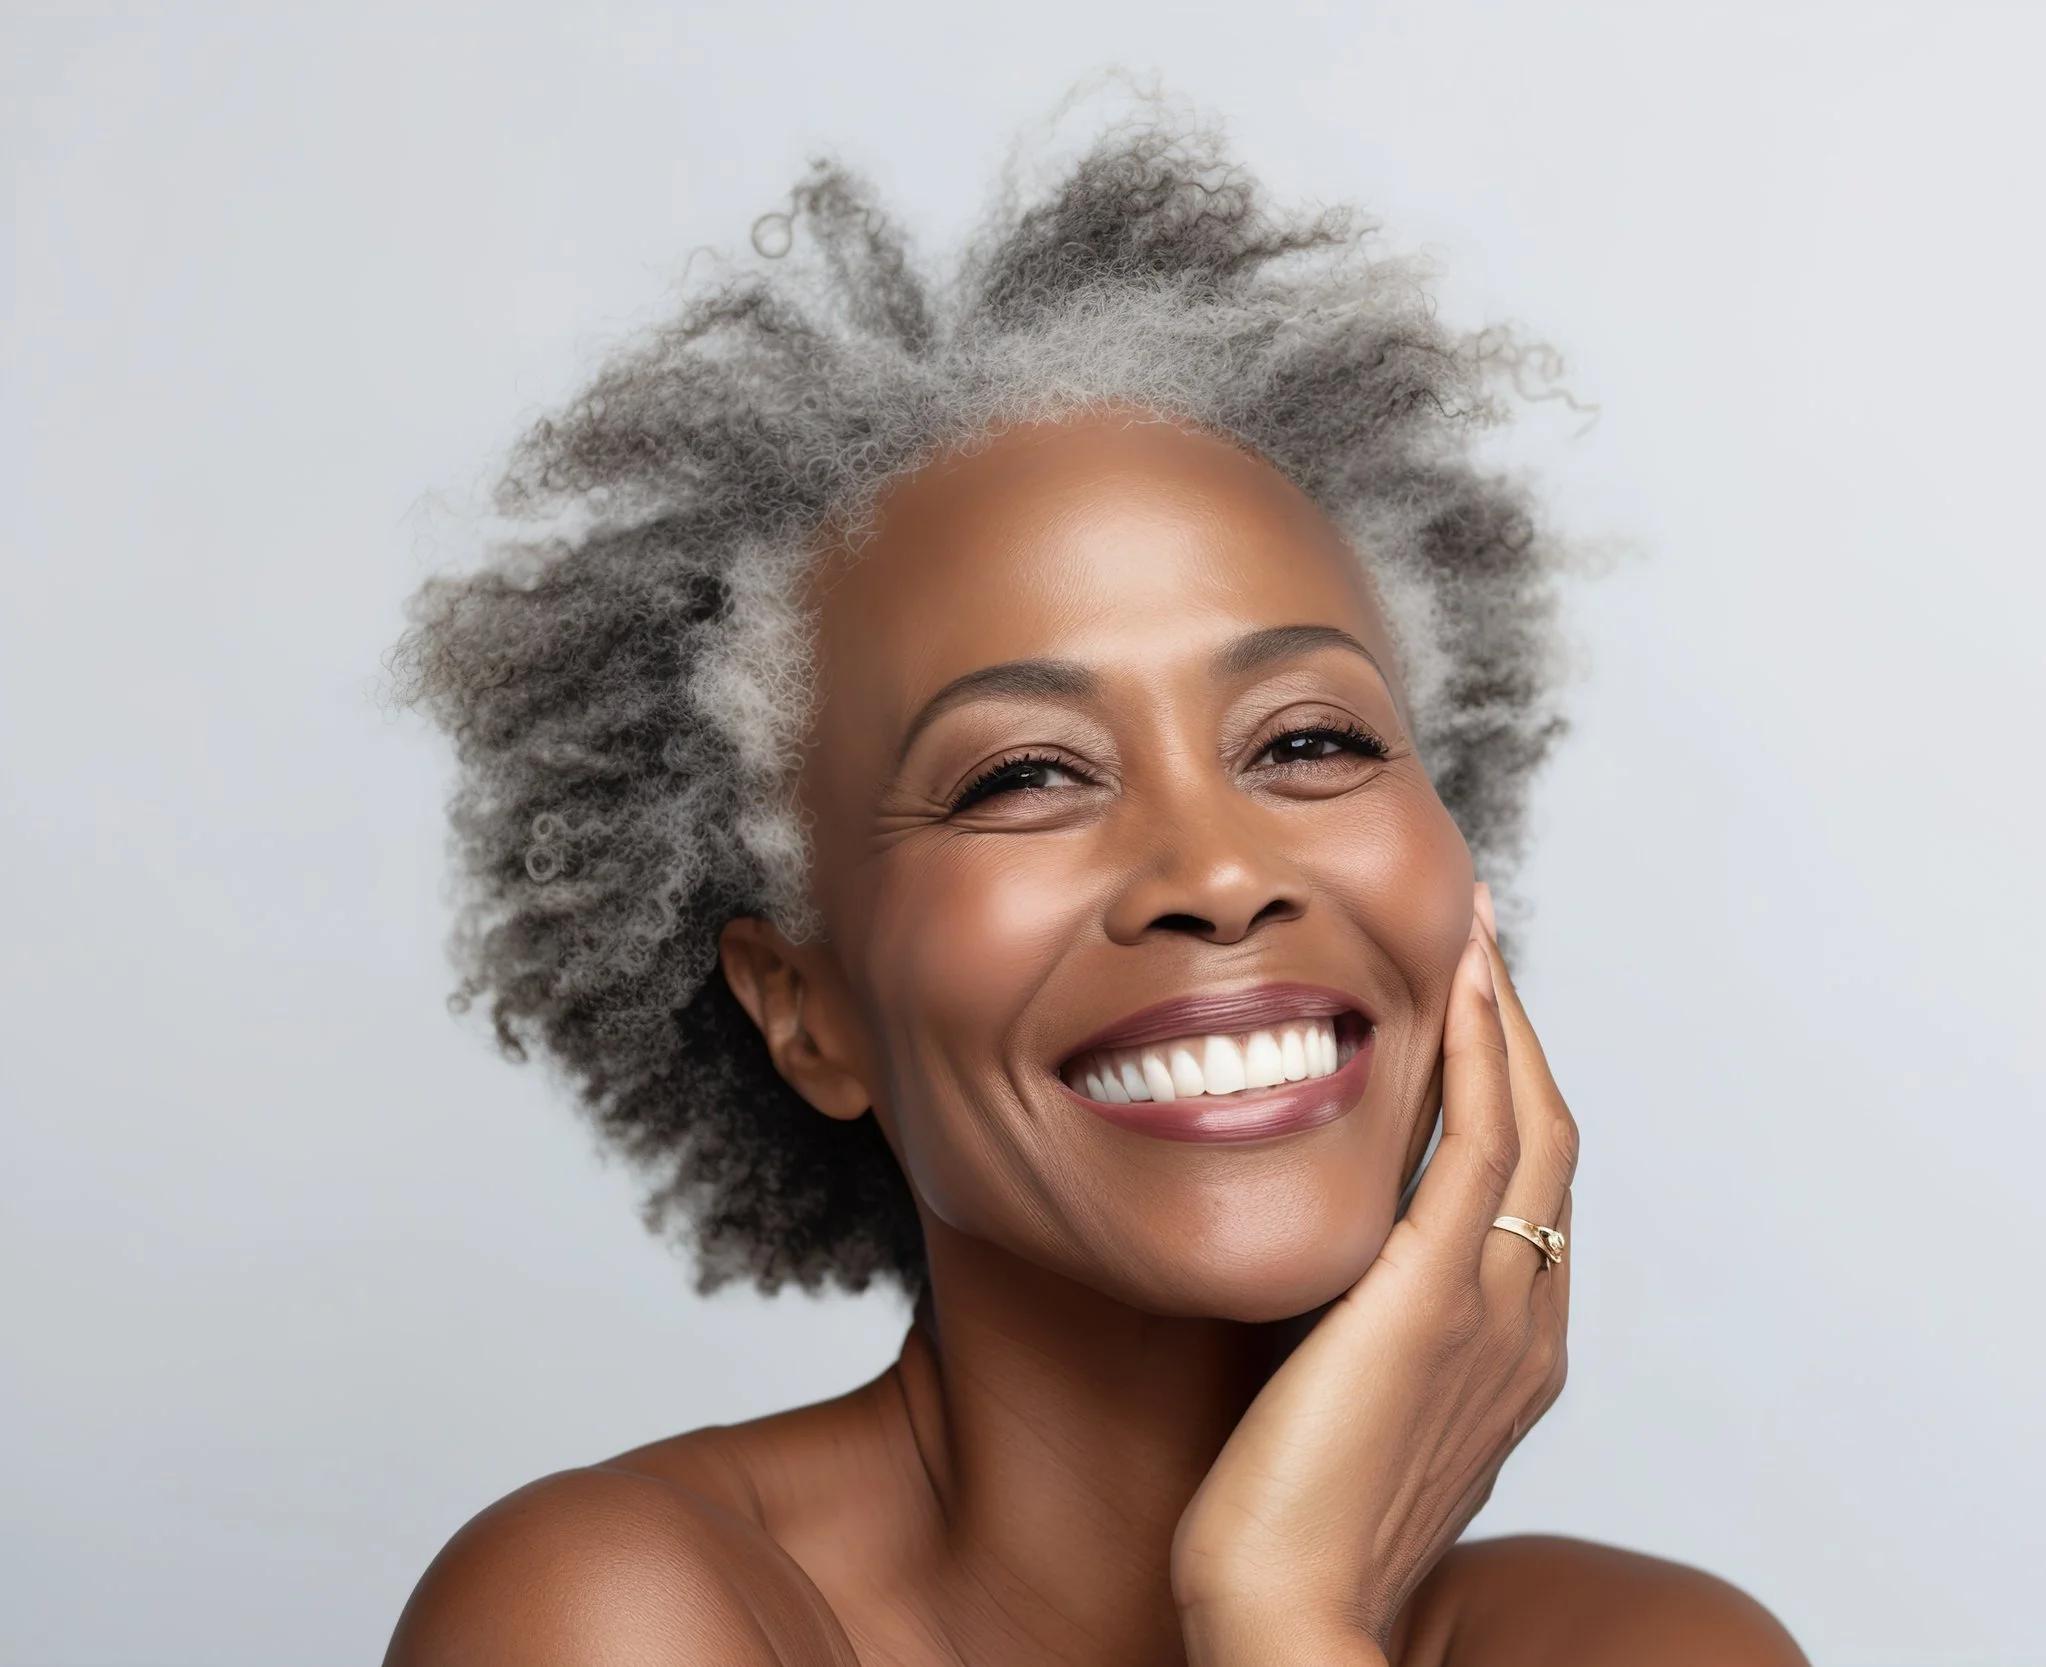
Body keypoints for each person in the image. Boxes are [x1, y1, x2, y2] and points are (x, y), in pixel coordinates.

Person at [385, 113, 1806, 1667]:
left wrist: (1288, 1613)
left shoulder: (1646, 1643)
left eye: (1313, 740)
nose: (1215, 872)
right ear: (808, 1011)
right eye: (1024, 776)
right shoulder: (618, 1611)